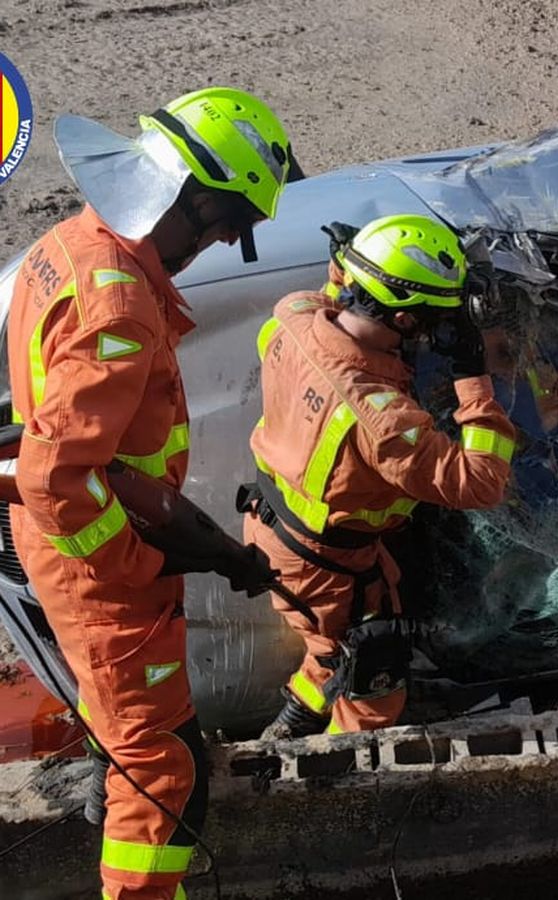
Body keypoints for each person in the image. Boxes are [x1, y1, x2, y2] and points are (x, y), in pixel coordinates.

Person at [7, 86, 296, 900]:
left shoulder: (72, 244)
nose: (227, 242)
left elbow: (97, 460)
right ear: (196, 196)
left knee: (136, 733)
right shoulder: (121, 306)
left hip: (83, 537)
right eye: (230, 223)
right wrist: (134, 566)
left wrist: (203, 547)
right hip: (97, 567)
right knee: (163, 778)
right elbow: (56, 474)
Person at [244, 214, 516, 738]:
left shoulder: (293, 315)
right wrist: (471, 374)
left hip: (275, 530)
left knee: (330, 649)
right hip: (328, 566)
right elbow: (482, 482)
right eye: (438, 318)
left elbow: (331, 292)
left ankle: (287, 729)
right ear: (408, 323)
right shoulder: (382, 419)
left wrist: (352, 258)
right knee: (375, 674)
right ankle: (341, 776)